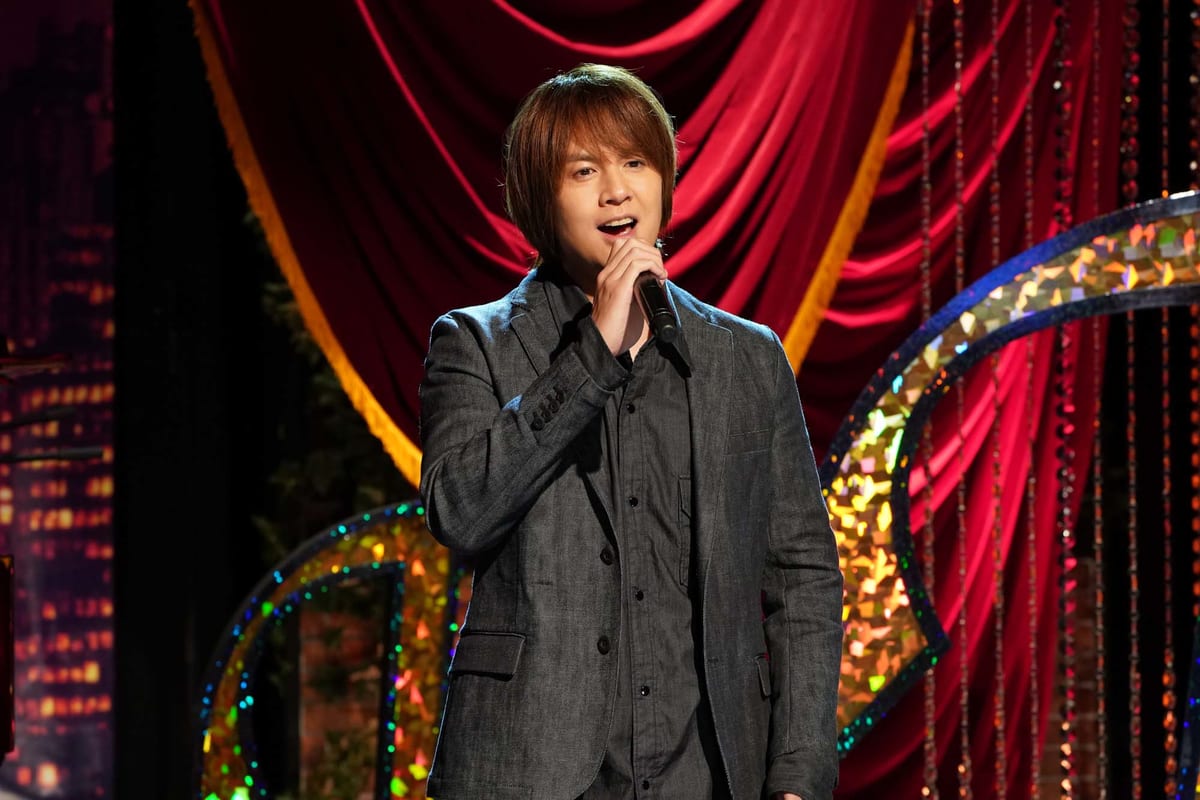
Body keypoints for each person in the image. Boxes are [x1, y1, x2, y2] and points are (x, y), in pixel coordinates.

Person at [418, 63, 843, 800]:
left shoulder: (746, 357)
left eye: (636, 163)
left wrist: (798, 776)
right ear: (540, 197)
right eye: (584, 171)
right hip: (529, 772)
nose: (616, 191)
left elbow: (802, 576)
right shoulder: (476, 343)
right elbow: (460, 512)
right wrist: (592, 354)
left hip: (707, 773)